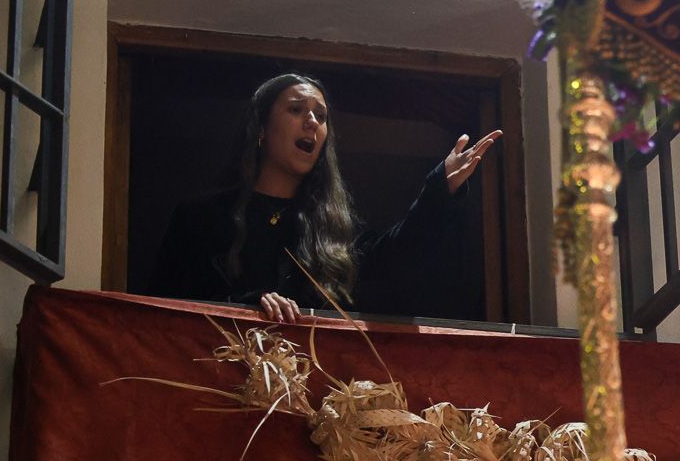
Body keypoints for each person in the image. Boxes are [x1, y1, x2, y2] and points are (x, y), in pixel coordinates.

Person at [148, 72, 501, 323]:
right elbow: (160, 316)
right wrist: (246, 308)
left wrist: (440, 189)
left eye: (321, 115)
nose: (312, 122)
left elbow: (397, 257)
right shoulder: (200, 219)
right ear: (261, 128)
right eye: (297, 109)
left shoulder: (335, 230)